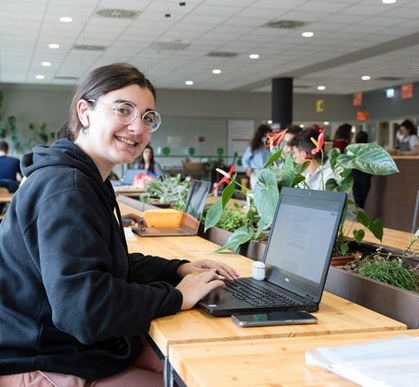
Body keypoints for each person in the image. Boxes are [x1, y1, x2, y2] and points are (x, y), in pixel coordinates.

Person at [0, 63, 238, 386]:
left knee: (204, 364)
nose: (137, 129)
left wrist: (178, 269)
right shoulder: (66, 188)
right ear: (85, 112)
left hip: (70, 344)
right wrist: (177, 297)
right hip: (41, 356)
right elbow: (84, 309)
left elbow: (106, 265)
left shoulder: (86, 178)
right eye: (123, 110)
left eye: (147, 117)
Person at [242, 124, 272, 189]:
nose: (266, 137)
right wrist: (248, 168)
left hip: (269, 172)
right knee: (257, 192)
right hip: (256, 172)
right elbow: (245, 159)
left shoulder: (271, 146)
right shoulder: (254, 146)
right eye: (265, 135)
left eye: (268, 135)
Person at [351, 131, 372, 209]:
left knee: (356, 201)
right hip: (365, 178)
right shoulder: (369, 150)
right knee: (362, 202)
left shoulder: (352, 149)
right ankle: (360, 218)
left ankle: (356, 218)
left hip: (354, 177)